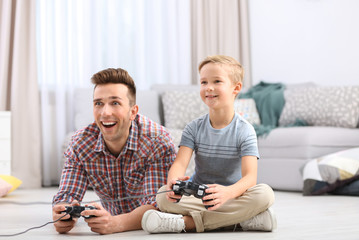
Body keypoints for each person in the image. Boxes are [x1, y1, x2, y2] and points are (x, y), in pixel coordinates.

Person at [141, 55, 277, 233]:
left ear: (236, 88)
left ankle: (186, 223)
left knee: (265, 194)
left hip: (232, 197)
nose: (209, 88)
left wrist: (227, 193)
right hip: (199, 196)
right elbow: (180, 164)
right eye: (204, 82)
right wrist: (172, 182)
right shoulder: (193, 128)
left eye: (217, 81)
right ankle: (242, 221)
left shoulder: (245, 130)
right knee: (162, 197)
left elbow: (250, 178)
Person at [52, 68, 176, 234]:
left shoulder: (157, 141)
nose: (105, 112)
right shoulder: (80, 144)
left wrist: (116, 223)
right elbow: (66, 195)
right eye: (98, 103)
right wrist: (63, 213)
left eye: (115, 103)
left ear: (133, 112)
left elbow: (157, 205)